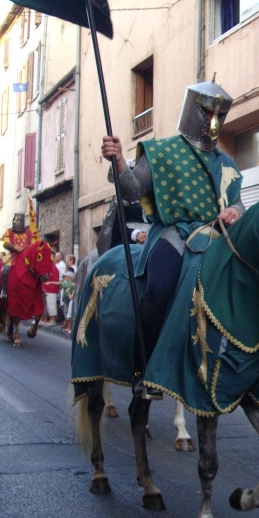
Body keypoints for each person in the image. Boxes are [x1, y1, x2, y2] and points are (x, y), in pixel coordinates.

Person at [99, 80, 244, 359]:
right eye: (206, 111)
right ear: (192, 108)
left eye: (219, 114)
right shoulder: (162, 152)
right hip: (174, 234)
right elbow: (132, 189)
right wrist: (118, 161)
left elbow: (238, 202)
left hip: (217, 235)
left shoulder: (226, 163)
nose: (212, 120)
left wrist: (236, 212)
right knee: (159, 286)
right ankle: (145, 361)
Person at [0, 213, 34, 298]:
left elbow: (32, 244)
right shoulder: (9, 231)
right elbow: (6, 243)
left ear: (23, 221)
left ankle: (39, 289)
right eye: (15, 220)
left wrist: (27, 249)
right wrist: (14, 247)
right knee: (5, 271)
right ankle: (4, 290)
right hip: (12, 255)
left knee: (36, 269)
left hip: (26, 255)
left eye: (19, 220)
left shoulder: (29, 232)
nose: (17, 222)